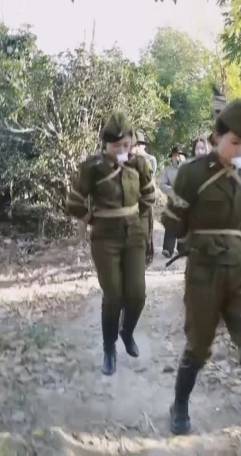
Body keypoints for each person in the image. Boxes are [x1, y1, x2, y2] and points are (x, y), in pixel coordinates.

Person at [161, 99, 241, 456]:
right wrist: (195, 240)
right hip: (204, 269)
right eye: (234, 142)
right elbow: (174, 221)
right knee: (199, 343)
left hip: (240, 269)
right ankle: (180, 405)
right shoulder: (193, 173)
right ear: (217, 137)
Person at [66, 112, 156, 376]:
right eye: (116, 146)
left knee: (137, 294)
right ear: (105, 144)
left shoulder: (139, 165)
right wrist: (93, 218)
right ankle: (109, 348)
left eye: (126, 145)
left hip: (134, 236)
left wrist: (138, 222)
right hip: (105, 238)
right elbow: (73, 203)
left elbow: (149, 197)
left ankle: (127, 332)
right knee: (114, 295)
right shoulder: (91, 168)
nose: (122, 150)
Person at [132, 130, 158, 267]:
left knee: (148, 227)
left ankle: (147, 254)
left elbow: (151, 178)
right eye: (135, 144)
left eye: (139, 144)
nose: (137, 147)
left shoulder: (150, 159)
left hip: (146, 196)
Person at [158, 146, 186, 257]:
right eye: (175, 156)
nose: (177, 158)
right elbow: (162, 184)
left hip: (186, 201)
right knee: (170, 224)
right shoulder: (168, 170)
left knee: (185, 224)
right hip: (172, 202)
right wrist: (171, 191)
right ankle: (168, 249)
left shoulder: (188, 169)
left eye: (179, 155)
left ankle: (183, 248)